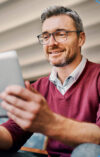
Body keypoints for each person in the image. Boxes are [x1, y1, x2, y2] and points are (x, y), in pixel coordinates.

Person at [0, 6, 100, 157]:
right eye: (46, 37)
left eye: (61, 34)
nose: (51, 43)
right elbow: (12, 134)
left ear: (81, 39)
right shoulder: (38, 87)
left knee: (88, 150)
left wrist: (49, 122)